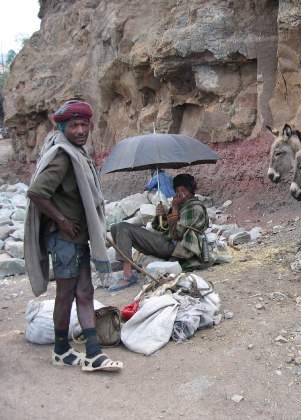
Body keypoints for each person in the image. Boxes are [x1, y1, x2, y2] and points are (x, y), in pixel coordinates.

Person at [24, 99, 123, 371]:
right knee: (67, 293)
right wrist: (62, 220)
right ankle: (61, 349)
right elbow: (36, 192)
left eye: (85, 125)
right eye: (74, 125)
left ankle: (92, 353)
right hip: (64, 238)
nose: (81, 130)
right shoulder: (62, 156)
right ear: (64, 127)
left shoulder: (78, 153)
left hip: (78, 238)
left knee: (85, 291)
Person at [109, 173, 209, 291]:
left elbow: (177, 234)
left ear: (191, 191)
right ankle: (128, 266)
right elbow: (161, 228)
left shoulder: (194, 207)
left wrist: (174, 209)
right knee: (115, 227)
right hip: (166, 242)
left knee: (123, 227)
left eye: (183, 190)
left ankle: (128, 275)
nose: (180, 194)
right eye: (177, 190)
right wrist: (160, 215)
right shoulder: (182, 205)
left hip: (177, 248)